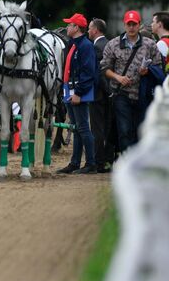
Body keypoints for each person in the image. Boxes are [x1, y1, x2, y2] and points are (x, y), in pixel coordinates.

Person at [101, 10, 162, 153]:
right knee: (124, 130)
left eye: (134, 24)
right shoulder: (113, 44)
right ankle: (126, 159)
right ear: (124, 25)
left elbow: (158, 67)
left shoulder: (150, 44)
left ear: (139, 25)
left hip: (143, 94)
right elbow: (104, 67)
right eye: (129, 24)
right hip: (121, 94)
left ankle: (137, 163)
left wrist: (148, 71)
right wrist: (118, 77)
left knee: (140, 131)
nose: (131, 27)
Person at [56, 13, 98, 174]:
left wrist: (79, 93)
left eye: (70, 24)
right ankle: (74, 162)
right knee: (76, 128)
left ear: (77, 28)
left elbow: (88, 72)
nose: (67, 27)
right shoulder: (73, 44)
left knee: (83, 127)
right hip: (70, 89)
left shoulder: (85, 46)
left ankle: (90, 163)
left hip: (79, 91)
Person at [87, 18, 114, 172]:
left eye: (90, 28)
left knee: (97, 128)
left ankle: (99, 162)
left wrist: (105, 91)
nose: (88, 31)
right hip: (110, 92)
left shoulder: (96, 47)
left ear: (96, 30)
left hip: (99, 94)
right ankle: (108, 160)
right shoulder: (110, 43)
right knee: (108, 127)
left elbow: (99, 73)